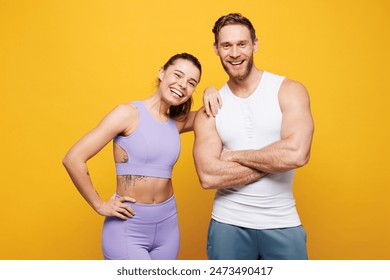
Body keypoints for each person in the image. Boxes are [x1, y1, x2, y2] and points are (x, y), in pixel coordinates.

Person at [63, 53, 217, 260]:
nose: (182, 85)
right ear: (162, 73)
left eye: (191, 83)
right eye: (178, 75)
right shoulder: (127, 114)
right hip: (128, 226)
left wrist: (210, 90)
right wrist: (99, 205)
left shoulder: (176, 122)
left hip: (167, 226)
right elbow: (73, 158)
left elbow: (210, 112)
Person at [193, 13, 314, 260]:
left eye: (242, 44)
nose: (235, 53)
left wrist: (233, 156)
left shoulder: (289, 90)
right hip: (228, 224)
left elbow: (296, 153)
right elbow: (208, 175)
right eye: (226, 45)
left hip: (283, 222)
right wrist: (275, 161)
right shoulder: (212, 106)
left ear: (254, 44)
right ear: (216, 49)